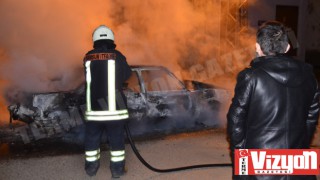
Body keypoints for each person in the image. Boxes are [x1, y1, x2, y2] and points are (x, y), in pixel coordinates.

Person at [227, 21, 319, 180]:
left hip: (258, 161)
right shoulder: (310, 75)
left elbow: (235, 121)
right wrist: (300, 147)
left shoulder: (250, 77)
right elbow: (312, 117)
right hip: (298, 159)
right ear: (287, 48)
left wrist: (241, 156)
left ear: (257, 47)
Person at [83, 25, 132, 178]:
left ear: (95, 39)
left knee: (92, 139)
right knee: (116, 140)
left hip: (94, 111)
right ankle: (117, 170)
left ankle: (91, 169)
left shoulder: (88, 57)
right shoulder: (118, 55)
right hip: (114, 111)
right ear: (111, 38)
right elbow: (126, 75)